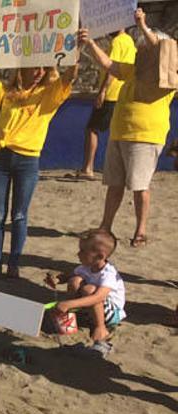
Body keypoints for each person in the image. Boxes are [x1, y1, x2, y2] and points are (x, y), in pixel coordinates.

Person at [79, 9, 175, 248]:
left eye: (144, 47)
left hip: (145, 136)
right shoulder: (134, 70)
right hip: (120, 132)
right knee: (115, 185)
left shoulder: (168, 74)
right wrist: (90, 42)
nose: (141, 50)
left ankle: (140, 230)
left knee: (140, 186)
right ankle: (106, 225)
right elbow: (109, 64)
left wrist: (143, 26)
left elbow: (160, 49)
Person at [0, 63, 78, 278]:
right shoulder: (2, 93)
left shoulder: (47, 95)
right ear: (22, 69)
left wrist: (76, 52)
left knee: (19, 215)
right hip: (0, 158)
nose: (39, 73)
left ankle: (14, 264)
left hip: (28, 159)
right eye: (35, 68)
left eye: (44, 69)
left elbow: (69, 77)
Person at [45, 229, 125, 359]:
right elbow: (68, 276)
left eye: (83, 251)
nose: (78, 253)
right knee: (74, 281)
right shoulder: (85, 267)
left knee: (89, 290)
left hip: (111, 313)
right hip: (90, 308)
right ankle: (70, 320)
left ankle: (100, 328)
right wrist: (56, 279)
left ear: (100, 256)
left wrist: (68, 303)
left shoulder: (108, 274)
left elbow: (99, 297)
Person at [75, 29, 136, 179]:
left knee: (92, 129)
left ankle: (88, 168)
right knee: (116, 132)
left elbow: (112, 69)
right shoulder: (130, 41)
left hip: (111, 94)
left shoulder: (118, 42)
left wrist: (102, 91)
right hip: (123, 93)